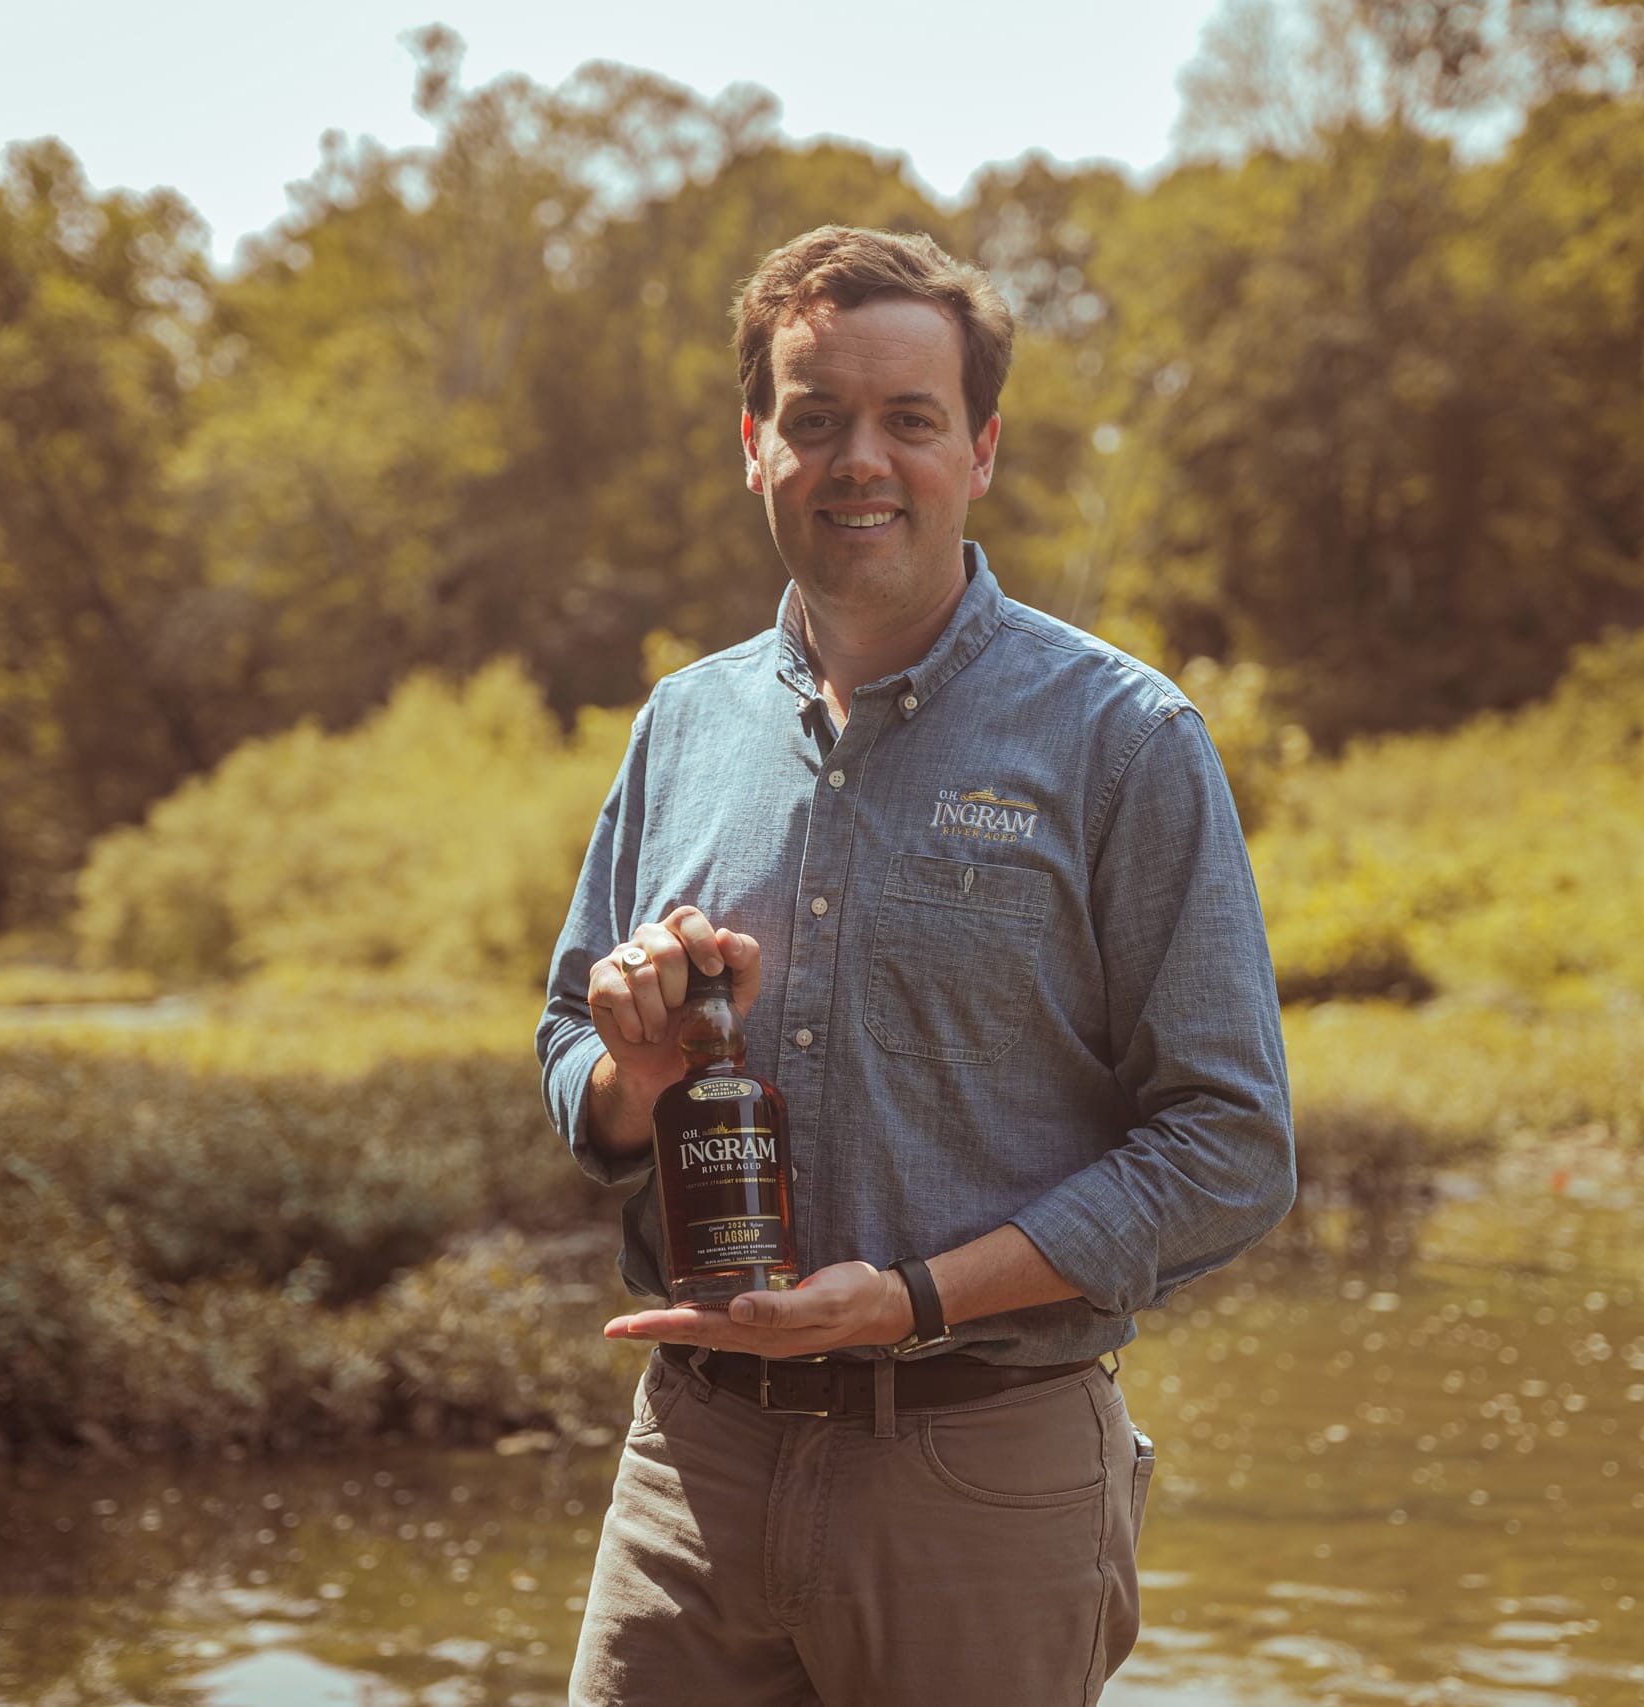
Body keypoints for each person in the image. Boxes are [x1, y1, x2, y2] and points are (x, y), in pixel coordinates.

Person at [535, 224, 1294, 1707]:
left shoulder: (1124, 741)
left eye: (908, 420)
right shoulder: (679, 728)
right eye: (814, 421)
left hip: (979, 1469)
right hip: (692, 1469)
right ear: (755, 448)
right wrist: (624, 1080)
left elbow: (1231, 1147)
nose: (857, 460)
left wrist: (915, 1298)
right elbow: (570, 1039)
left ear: (982, 449)